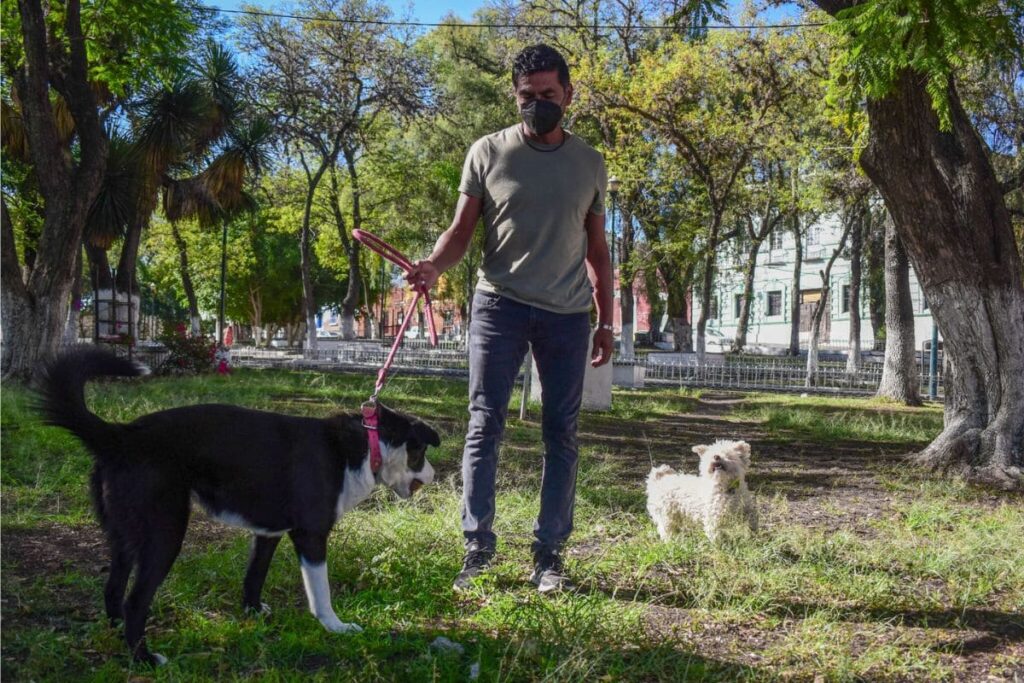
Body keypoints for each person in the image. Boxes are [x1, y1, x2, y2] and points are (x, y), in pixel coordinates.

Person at [405, 43, 613, 594]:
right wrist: (432, 265)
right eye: (528, 96)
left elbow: (598, 251)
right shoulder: (488, 152)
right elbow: (460, 232)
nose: (538, 104)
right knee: (484, 426)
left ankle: (549, 558)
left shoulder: (590, 162)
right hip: (498, 306)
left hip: (567, 316)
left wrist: (608, 320)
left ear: (568, 94)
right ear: (515, 96)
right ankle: (477, 549)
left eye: (548, 94)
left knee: (561, 434)